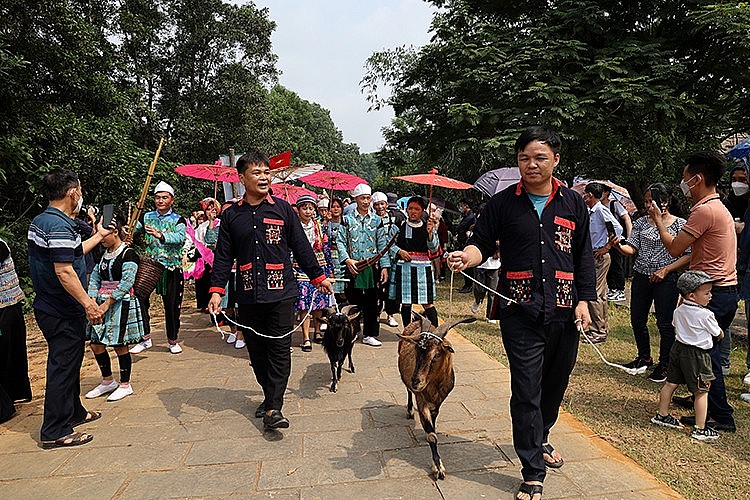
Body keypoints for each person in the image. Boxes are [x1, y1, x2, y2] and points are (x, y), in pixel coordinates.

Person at [448, 126, 596, 500]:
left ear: (555, 160)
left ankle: (541, 436)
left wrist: (584, 300)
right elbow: (481, 243)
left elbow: (583, 255)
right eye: (524, 158)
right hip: (520, 309)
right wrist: (468, 257)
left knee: (555, 382)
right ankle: (532, 468)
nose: (531, 164)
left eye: (539, 158)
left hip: (565, 309)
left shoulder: (573, 203)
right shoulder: (502, 204)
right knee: (526, 388)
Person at [208, 150, 332, 430]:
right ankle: (268, 394)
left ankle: (275, 407)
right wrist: (216, 290)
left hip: (282, 293)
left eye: (266, 172)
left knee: (279, 349)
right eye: (257, 173)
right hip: (249, 294)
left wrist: (318, 277)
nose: (264, 177)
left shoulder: (283, 209)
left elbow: (301, 246)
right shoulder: (232, 216)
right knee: (256, 351)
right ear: (242, 178)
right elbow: (224, 256)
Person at [650, 151, 737, 433]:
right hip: (718, 291)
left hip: (712, 294)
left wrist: (658, 220)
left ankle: (720, 415)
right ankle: (706, 399)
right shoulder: (716, 208)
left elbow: (675, 247)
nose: (681, 185)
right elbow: (694, 253)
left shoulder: (703, 210)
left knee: (704, 355)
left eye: (685, 179)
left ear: (697, 179)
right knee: (701, 352)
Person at [28, 168, 110, 448]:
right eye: (79, 190)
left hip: (52, 306)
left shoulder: (44, 220)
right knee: (62, 366)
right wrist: (89, 304)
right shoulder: (59, 225)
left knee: (71, 362)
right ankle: (55, 430)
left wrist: (98, 236)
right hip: (60, 308)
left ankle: (73, 411)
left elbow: (73, 253)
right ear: (72, 193)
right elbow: (64, 271)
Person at [609, 184, 690, 382]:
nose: (646, 205)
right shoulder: (641, 223)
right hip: (641, 276)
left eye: (649, 201)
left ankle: (665, 365)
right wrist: (618, 245)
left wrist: (666, 270)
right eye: (644, 201)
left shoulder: (680, 224)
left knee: (665, 323)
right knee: (637, 319)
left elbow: (688, 255)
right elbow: (632, 249)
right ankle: (644, 357)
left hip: (666, 279)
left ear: (664, 201)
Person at [650, 271, 722, 441]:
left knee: (670, 383)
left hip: (678, 349)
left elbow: (676, 325)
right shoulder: (706, 315)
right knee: (701, 391)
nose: (710, 296)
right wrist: (720, 335)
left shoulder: (679, 310)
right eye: (706, 293)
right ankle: (700, 428)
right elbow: (717, 333)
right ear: (691, 296)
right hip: (697, 355)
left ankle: (662, 414)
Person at [84, 213, 144, 402]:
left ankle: (125, 384)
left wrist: (106, 304)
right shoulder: (104, 255)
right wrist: (92, 299)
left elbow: (127, 282)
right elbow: (95, 276)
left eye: (104, 235)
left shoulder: (128, 253)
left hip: (121, 303)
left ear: (115, 232)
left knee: (119, 345)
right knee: (96, 344)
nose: (100, 239)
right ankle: (107, 380)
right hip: (101, 302)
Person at [129, 181, 187, 355]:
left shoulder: (179, 219)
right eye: (157, 198)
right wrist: (127, 231)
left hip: (171, 267)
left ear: (172, 200)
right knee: (139, 299)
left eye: (164, 197)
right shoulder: (146, 217)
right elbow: (133, 230)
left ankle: (172, 340)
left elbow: (180, 237)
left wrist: (161, 235)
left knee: (171, 305)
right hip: (150, 267)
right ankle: (145, 338)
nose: (160, 201)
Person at [337, 183, 391, 347]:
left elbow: (382, 244)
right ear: (355, 199)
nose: (366, 201)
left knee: (372, 301)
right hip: (353, 266)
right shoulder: (346, 220)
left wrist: (385, 267)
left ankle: (370, 333)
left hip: (371, 267)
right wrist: (347, 260)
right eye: (362, 198)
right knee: (353, 301)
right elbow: (340, 241)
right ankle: (352, 332)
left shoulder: (377, 221)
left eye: (368, 198)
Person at [390, 196, 440, 328]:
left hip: (423, 270)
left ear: (422, 211)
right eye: (410, 208)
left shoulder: (428, 226)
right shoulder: (399, 226)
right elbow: (389, 245)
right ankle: (408, 330)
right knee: (406, 302)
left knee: (427, 302)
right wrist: (400, 252)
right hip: (404, 268)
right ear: (406, 210)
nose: (413, 211)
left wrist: (430, 233)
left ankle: (435, 331)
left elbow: (434, 248)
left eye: (417, 209)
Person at [292, 194, 334, 351]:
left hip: (319, 265)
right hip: (300, 267)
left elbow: (326, 247)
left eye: (310, 208)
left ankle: (317, 331)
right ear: (298, 210)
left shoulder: (319, 226)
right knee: (304, 304)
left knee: (318, 302)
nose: (307, 211)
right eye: (304, 208)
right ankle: (305, 337)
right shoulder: (294, 226)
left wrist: (329, 270)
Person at [582, 182, 622, 344]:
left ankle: (597, 331)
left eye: (585, 194)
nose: (584, 197)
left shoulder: (600, 210)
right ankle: (602, 327)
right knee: (601, 293)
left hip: (599, 255)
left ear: (591, 195)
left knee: (595, 293)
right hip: (593, 254)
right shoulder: (591, 211)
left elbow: (618, 228)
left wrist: (607, 247)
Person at [0, 237, 32, 409]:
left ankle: (15, 394)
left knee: (11, 351)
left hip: (9, 306)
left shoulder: (0, 245)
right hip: (4, 308)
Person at [372, 191, 402, 328]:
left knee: (391, 287)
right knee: (376, 288)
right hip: (375, 259)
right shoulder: (371, 219)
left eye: (382, 204)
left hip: (391, 258)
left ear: (386, 204)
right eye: (376, 204)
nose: (380, 207)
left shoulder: (394, 219)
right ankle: (376, 313)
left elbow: (396, 240)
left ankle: (390, 314)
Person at [601, 185, 632, 303]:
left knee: (617, 264)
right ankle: (612, 288)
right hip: (605, 240)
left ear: (607, 192)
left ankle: (620, 289)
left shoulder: (615, 204)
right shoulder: (598, 207)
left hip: (617, 239)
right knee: (608, 264)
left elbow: (626, 219)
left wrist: (629, 237)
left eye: (603, 191)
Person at [190, 197, 221, 312]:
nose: (210, 212)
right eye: (208, 209)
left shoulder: (223, 224)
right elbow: (199, 241)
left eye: (213, 209)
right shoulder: (201, 227)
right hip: (205, 258)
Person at [326, 198, 347, 305]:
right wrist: (326, 222)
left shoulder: (346, 222)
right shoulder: (325, 223)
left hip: (342, 254)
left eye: (338, 207)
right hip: (330, 255)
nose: (335, 209)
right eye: (333, 206)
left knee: (343, 278)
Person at [456, 199, 476, 293]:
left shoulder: (470, 216)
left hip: (466, 242)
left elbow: (460, 227)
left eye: (462, 205)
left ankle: (468, 285)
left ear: (466, 206)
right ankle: (466, 284)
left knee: (467, 266)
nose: (461, 207)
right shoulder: (466, 216)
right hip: (462, 241)